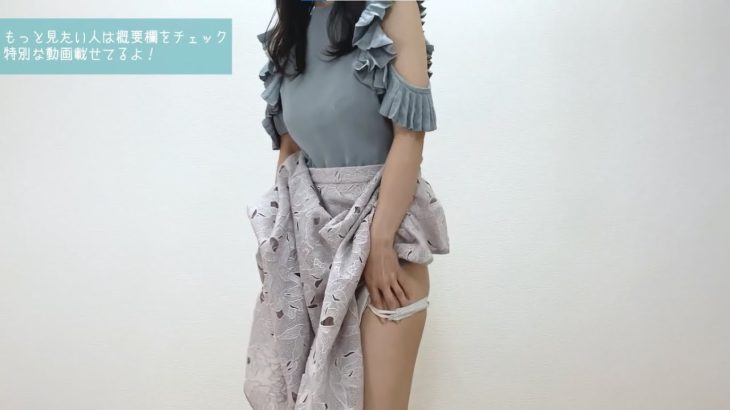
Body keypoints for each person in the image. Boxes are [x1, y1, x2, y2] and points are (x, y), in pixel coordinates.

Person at [244, 1, 450, 409]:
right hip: (310, 243)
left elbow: (410, 135)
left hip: (383, 231)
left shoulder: (390, 9)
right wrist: (279, 247)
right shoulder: (294, 26)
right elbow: (290, 152)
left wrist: (381, 243)